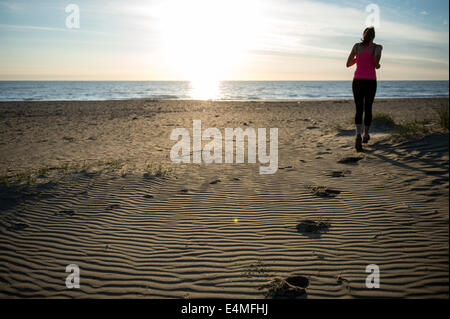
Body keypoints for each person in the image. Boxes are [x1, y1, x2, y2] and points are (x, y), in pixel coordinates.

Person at [346, 27, 383, 152]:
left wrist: (359, 59)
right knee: (368, 108)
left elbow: (348, 64)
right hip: (370, 81)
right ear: (373, 36)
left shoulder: (356, 46)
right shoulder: (377, 47)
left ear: (363, 35)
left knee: (358, 108)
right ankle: (365, 135)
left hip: (357, 81)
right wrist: (376, 63)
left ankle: (357, 134)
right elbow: (376, 64)